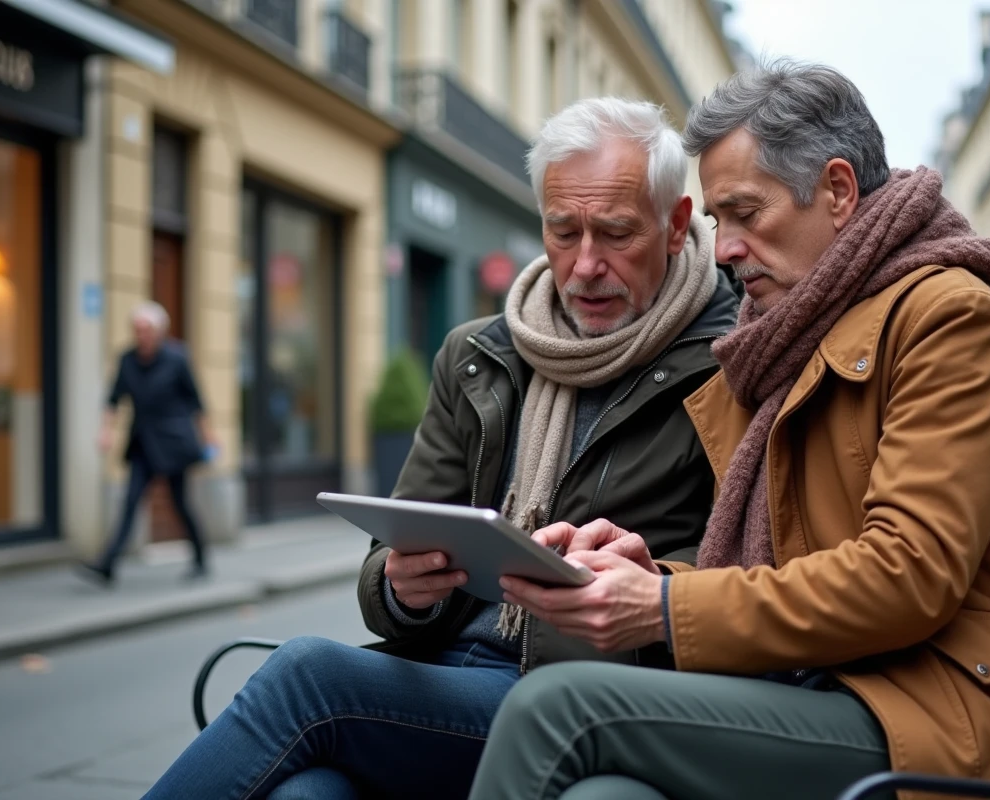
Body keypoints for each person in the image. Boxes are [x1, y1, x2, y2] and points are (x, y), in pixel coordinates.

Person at [467, 59, 990, 800]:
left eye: (747, 213)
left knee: (557, 710)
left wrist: (659, 609)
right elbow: (795, 559)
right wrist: (656, 579)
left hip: (941, 721)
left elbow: (907, 576)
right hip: (827, 690)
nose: (723, 249)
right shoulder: (790, 335)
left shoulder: (948, 320)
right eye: (719, 221)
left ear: (839, 192)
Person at [143, 97, 740, 799]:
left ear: (675, 226)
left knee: (308, 675)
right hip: (448, 673)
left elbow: (756, 562)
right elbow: (387, 563)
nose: (583, 265)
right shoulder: (479, 355)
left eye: (614, 233)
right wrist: (403, 589)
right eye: (561, 230)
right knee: (304, 795)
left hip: (587, 696)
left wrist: (653, 586)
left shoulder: (731, 360)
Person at [80, 301, 216, 585]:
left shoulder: (177, 358)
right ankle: (107, 564)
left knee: (180, 503)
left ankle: (201, 557)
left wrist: (209, 436)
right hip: (142, 441)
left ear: (160, 331)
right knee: (130, 502)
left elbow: (195, 401)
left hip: (173, 442)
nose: (141, 334)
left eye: (146, 329)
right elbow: (113, 399)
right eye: (137, 329)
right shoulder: (127, 359)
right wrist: (106, 431)